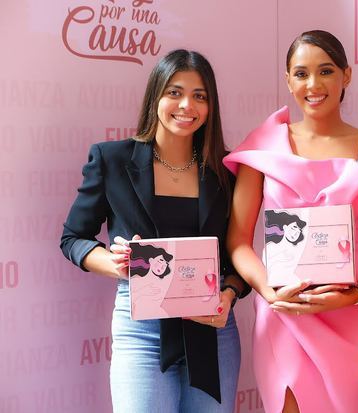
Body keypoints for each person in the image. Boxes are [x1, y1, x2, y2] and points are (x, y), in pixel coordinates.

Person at [224, 30, 358, 412]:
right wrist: (269, 291)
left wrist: (357, 293)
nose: (313, 85)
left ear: (346, 75)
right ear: (288, 81)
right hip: (285, 315)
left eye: (325, 71)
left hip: (357, 312)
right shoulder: (263, 147)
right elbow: (237, 241)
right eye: (300, 74)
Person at [60, 49, 249, 413]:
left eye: (200, 96)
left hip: (212, 332)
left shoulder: (226, 173)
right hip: (141, 330)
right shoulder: (111, 159)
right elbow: (73, 239)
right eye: (175, 92)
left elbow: (236, 255)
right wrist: (114, 263)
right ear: (156, 96)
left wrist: (228, 294)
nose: (186, 105)